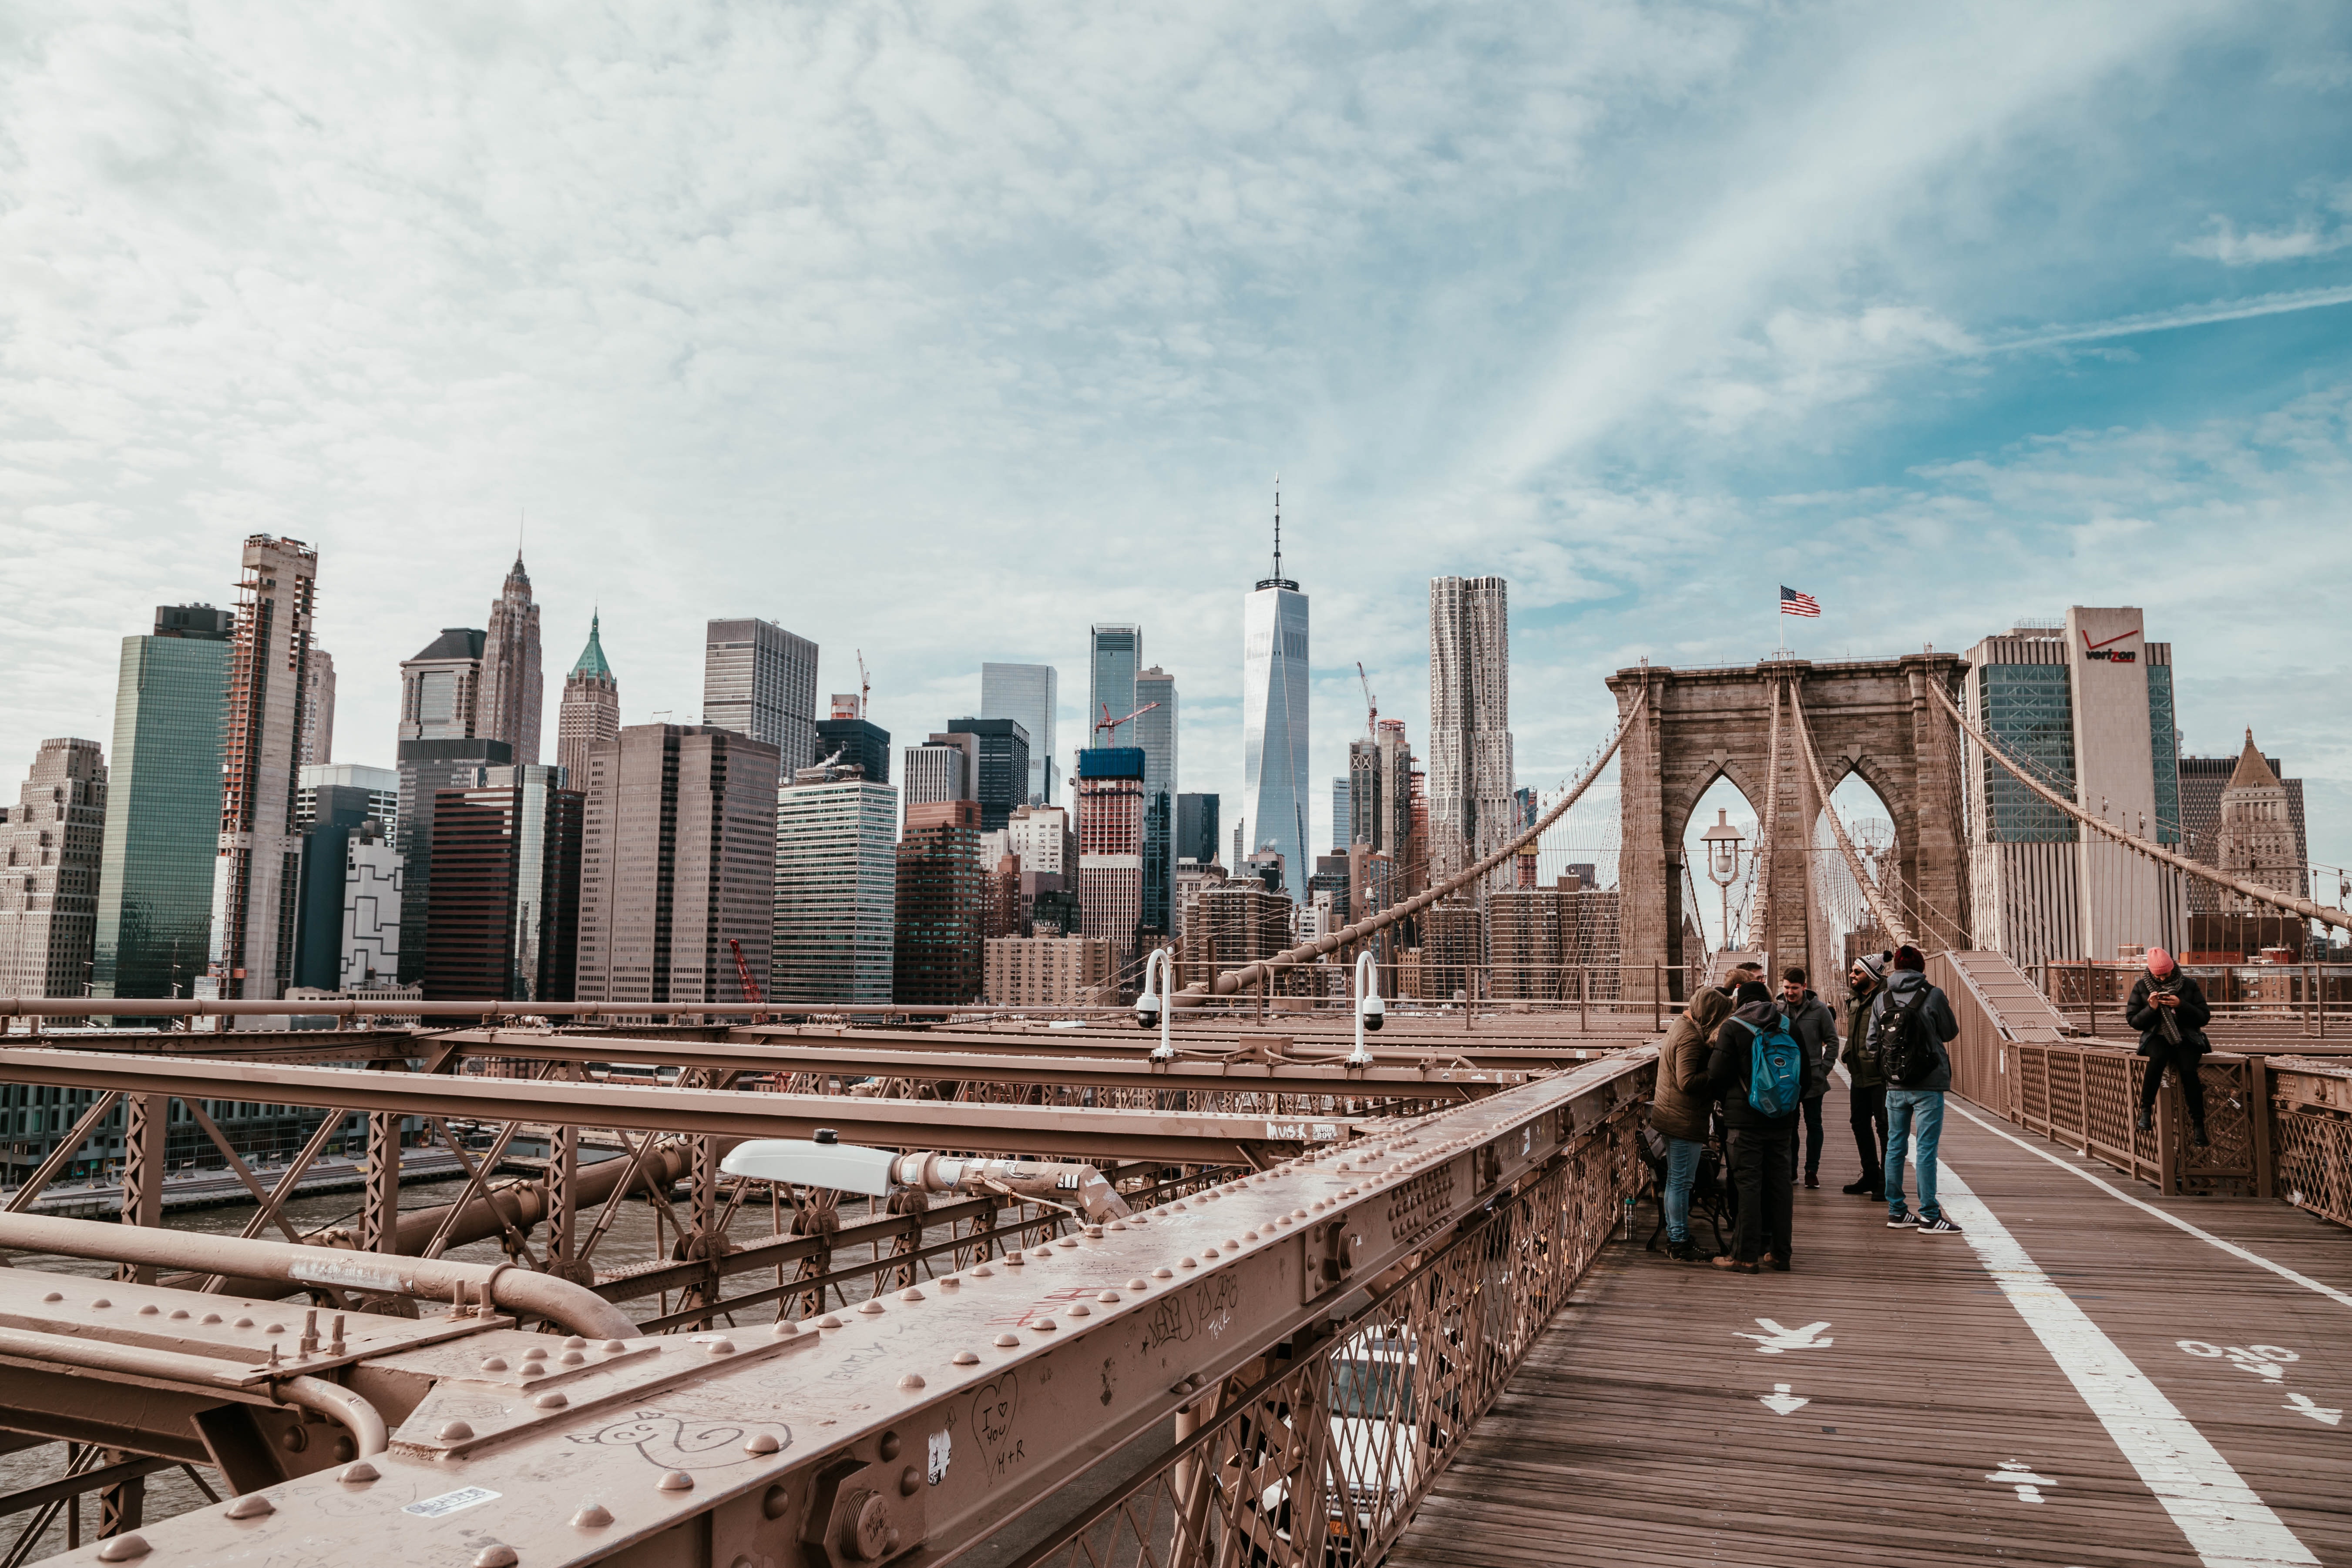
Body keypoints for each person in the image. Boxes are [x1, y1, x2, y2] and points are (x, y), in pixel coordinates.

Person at [1708, 979, 1798, 1273]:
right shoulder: (1788, 1025)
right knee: (1780, 1186)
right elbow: (1804, 1076)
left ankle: (1745, 1256)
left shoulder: (1733, 1027)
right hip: (1782, 1121)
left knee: (1748, 1186)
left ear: (1739, 1001)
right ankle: (1780, 1253)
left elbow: (1717, 1077)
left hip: (1744, 1124)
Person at [1875, 945, 1962, 1236]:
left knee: (1894, 1146)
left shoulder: (1882, 998)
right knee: (1925, 1149)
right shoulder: (1933, 994)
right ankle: (1929, 1216)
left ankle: (1897, 1211)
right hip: (1928, 1083)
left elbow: (1871, 1044)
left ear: (1895, 968)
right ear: (1921, 967)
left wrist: (1892, 1070)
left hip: (1895, 1085)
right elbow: (1950, 1032)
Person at [1650, 987, 1734, 1262]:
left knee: (1677, 1180)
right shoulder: (1691, 1038)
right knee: (1680, 1182)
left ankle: (1677, 1236)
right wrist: (1716, 1074)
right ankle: (1678, 1241)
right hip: (1682, 1119)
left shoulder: (1681, 1024)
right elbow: (1687, 1082)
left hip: (1674, 1115)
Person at [2127, 947, 2212, 1148]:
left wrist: (2181, 1004)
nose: (2163, 978)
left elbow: (2204, 1017)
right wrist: (2152, 1009)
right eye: (2159, 975)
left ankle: (2198, 1125)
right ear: (2151, 972)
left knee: (2189, 1071)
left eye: (2166, 973)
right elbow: (2134, 1021)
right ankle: (2146, 1112)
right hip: (2157, 1036)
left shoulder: (2189, 986)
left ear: (2172, 968)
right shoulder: (2141, 987)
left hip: (2186, 1037)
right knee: (2157, 1059)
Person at [1777, 966, 1839, 1189]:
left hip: (1813, 1078)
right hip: (1786, 1077)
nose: (1789, 992)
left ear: (1804, 986)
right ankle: (1791, 1169)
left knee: (1814, 1124)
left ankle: (1812, 1171)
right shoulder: (1776, 1010)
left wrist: (1824, 1070)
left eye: (1794, 988)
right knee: (1789, 1126)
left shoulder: (1820, 1010)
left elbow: (1833, 1041)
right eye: (1786, 987)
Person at [1839, 952, 1892, 1198]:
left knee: (1884, 1128)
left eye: (1857, 972)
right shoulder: (1854, 999)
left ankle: (1885, 1181)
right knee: (1859, 1124)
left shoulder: (1885, 999)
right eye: (1852, 970)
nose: (1852, 975)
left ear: (1870, 975)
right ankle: (1870, 1175)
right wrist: (1848, 1054)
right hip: (1858, 1073)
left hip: (1880, 1075)